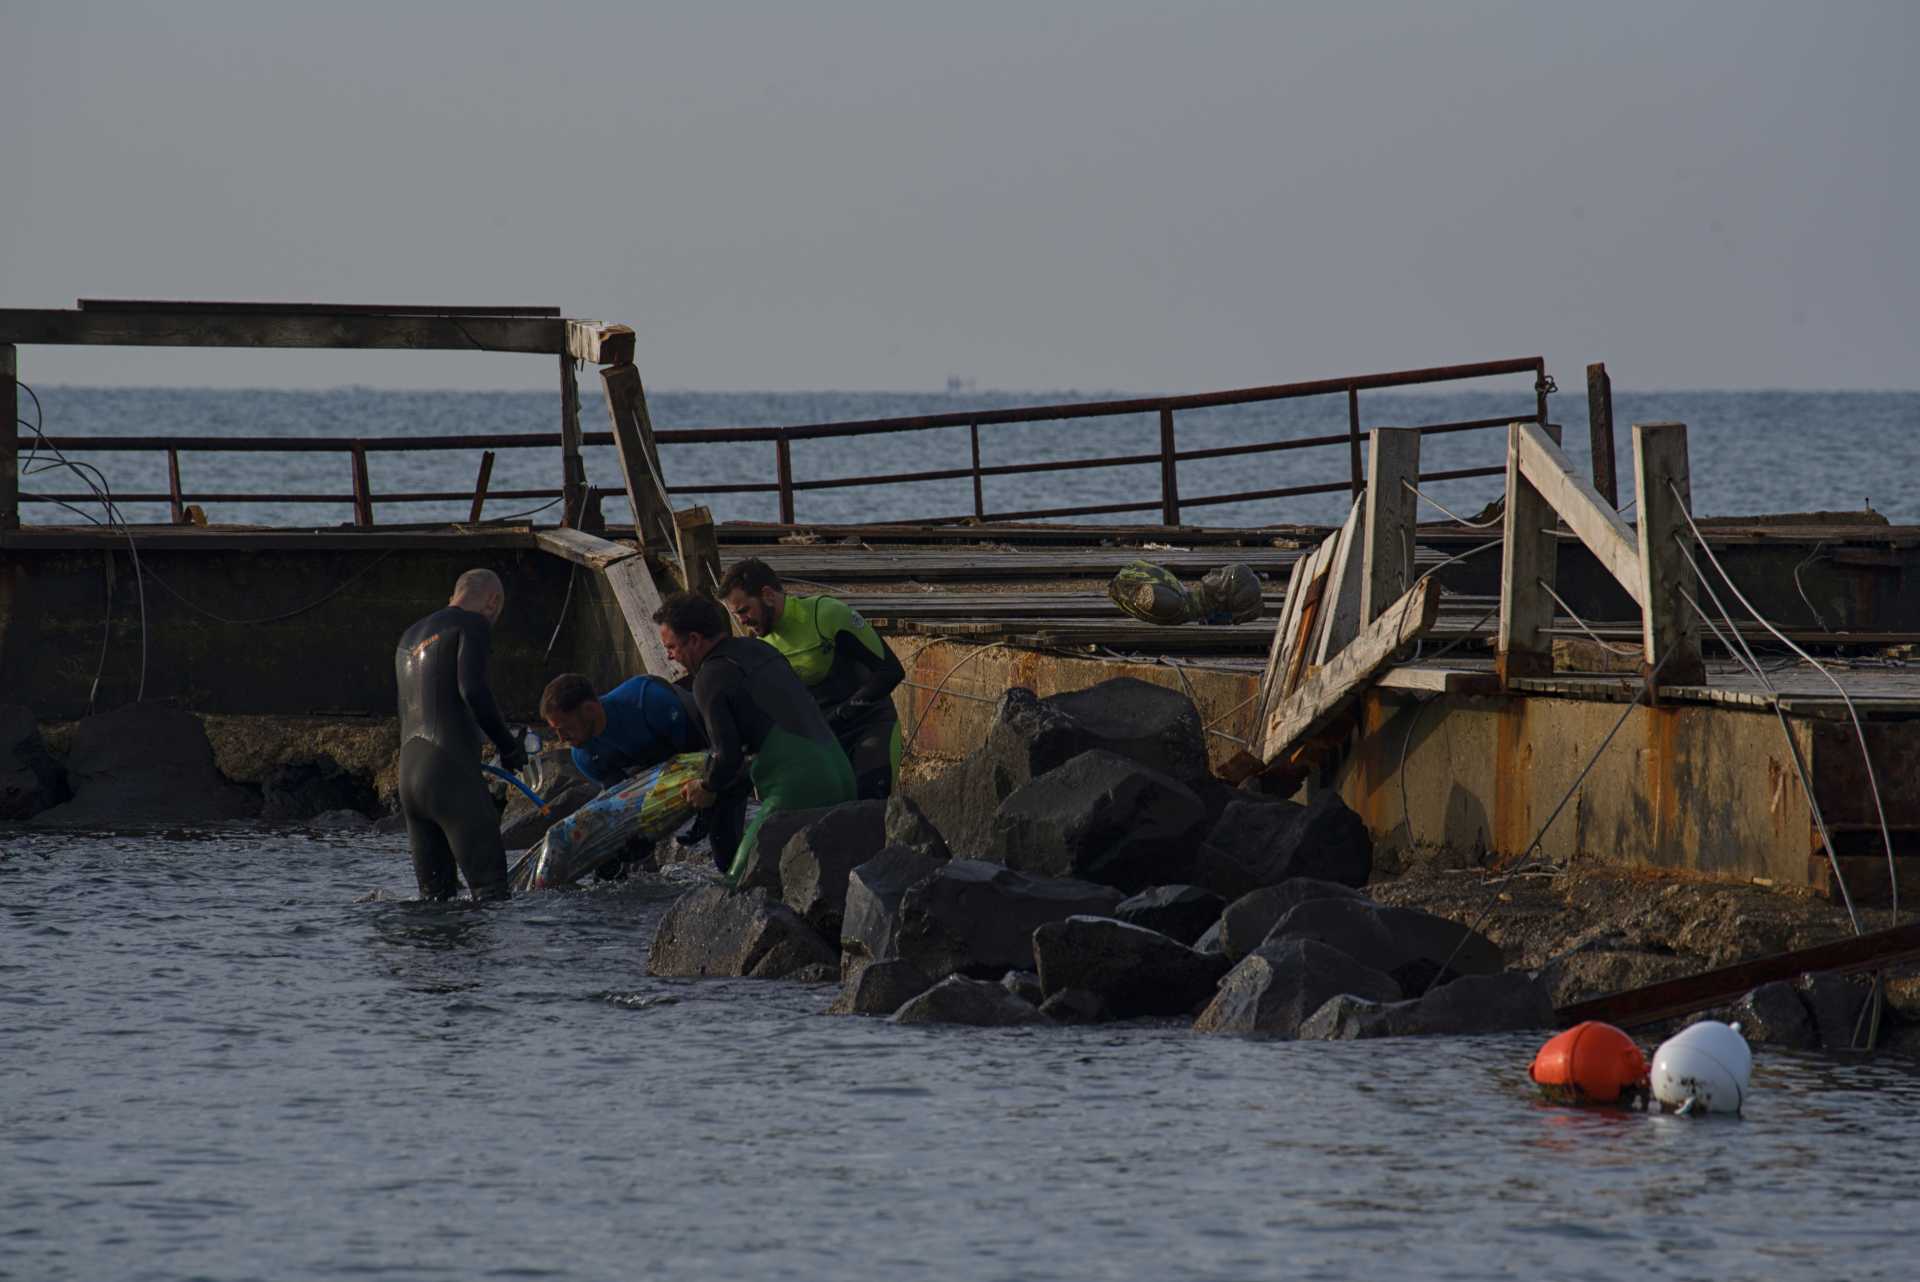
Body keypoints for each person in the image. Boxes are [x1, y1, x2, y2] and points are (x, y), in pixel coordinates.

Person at [652, 591, 856, 883]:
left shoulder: (708, 679)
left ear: (695, 640)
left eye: (671, 647)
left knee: (739, 883)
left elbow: (727, 757)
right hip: (841, 771)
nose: (670, 656)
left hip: (798, 788)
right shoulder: (760, 649)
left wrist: (705, 786)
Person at [718, 557, 904, 800]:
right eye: (736, 614)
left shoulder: (826, 615)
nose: (742, 621)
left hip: (870, 726)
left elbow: (890, 671)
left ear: (767, 594)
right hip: (822, 738)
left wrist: (844, 713)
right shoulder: (761, 647)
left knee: (868, 805)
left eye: (744, 610)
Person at [394, 568, 525, 901]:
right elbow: (474, 691)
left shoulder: (408, 638)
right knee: (492, 895)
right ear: (493, 601)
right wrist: (508, 747)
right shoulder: (473, 625)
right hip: (448, 775)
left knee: (434, 902)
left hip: (409, 781)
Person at [539, 671, 705, 789]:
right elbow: (624, 799)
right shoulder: (584, 756)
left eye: (565, 728)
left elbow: (702, 747)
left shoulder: (647, 701)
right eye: (556, 731)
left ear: (589, 709)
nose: (561, 739)